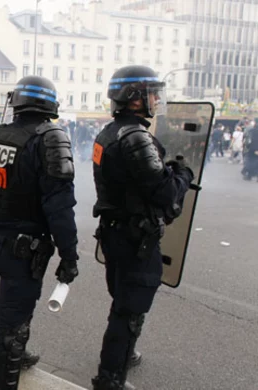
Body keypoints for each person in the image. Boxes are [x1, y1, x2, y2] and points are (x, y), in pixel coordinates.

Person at [0, 76, 79, 390]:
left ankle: (18, 354)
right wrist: (69, 255)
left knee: (15, 312)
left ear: (18, 102)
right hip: (21, 250)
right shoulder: (51, 138)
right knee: (11, 328)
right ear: (50, 104)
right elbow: (60, 207)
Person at [91, 65, 194, 389]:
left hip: (114, 231)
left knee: (123, 299)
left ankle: (125, 352)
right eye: (152, 93)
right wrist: (183, 175)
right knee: (129, 310)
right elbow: (164, 193)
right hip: (134, 238)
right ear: (134, 98)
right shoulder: (135, 137)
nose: (156, 99)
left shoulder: (108, 132)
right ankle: (109, 379)